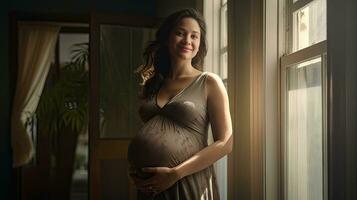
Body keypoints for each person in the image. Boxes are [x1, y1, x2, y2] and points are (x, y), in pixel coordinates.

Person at [127, 8, 233, 200]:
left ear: (200, 44)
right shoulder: (156, 83)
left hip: (188, 181)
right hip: (151, 187)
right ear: (167, 38)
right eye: (180, 33)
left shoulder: (209, 82)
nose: (187, 41)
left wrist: (175, 173)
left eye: (194, 36)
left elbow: (225, 143)